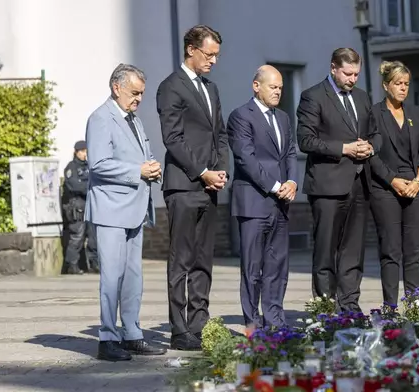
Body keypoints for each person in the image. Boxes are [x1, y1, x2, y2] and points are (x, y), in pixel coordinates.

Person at [85, 63, 166, 361]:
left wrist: (152, 168)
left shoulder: (134, 119)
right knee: (112, 277)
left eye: (142, 93)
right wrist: (138, 170)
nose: (139, 99)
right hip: (110, 209)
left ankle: (131, 333)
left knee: (133, 277)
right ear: (116, 87)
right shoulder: (100, 118)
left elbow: (143, 153)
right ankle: (107, 337)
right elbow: (98, 164)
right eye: (134, 92)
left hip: (134, 208)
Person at [156, 25, 229, 351]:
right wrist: (202, 172)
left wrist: (221, 169)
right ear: (191, 49)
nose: (213, 60)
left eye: (216, 55)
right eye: (209, 54)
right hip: (184, 186)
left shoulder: (211, 88)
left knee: (203, 259)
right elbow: (172, 138)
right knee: (182, 260)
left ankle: (200, 323)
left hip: (210, 186)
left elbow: (220, 134)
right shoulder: (171, 87)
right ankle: (180, 328)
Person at [296, 48, 381, 312]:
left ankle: (350, 306)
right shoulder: (313, 96)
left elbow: (375, 133)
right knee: (325, 251)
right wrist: (344, 148)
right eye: (347, 73)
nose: (352, 79)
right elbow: (305, 141)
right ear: (333, 68)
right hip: (327, 185)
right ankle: (326, 308)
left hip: (359, 183)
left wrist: (370, 147)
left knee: (353, 251)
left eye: (356, 74)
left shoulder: (363, 97)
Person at [227, 65, 298, 328]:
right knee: (252, 268)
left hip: (280, 204)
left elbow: (290, 152)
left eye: (281, 87)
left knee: (277, 268)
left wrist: (291, 181)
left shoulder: (283, 118)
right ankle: (253, 325)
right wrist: (276, 185)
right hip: (254, 202)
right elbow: (246, 159)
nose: (278, 91)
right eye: (273, 86)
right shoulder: (241, 116)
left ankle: (275, 321)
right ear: (256, 86)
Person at [369, 61, 419, 306]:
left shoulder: (417, 114)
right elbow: (371, 155)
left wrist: (418, 180)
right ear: (386, 85)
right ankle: (390, 307)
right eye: (398, 84)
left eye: (406, 84)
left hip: (417, 186)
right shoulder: (374, 114)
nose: (403, 88)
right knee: (391, 250)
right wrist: (392, 180)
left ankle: (415, 305)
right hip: (386, 187)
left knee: (414, 251)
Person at [62, 140, 98, 275]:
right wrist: (88, 187)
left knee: (93, 236)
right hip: (77, 206)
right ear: (76, 152)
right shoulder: (71, 168)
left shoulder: (90, 166)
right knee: (77, 236)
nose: (84, 155)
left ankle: (95, 265)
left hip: (90, 204)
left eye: (86, 152)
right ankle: (72, 265)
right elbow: (75, 186)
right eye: (82, 151)